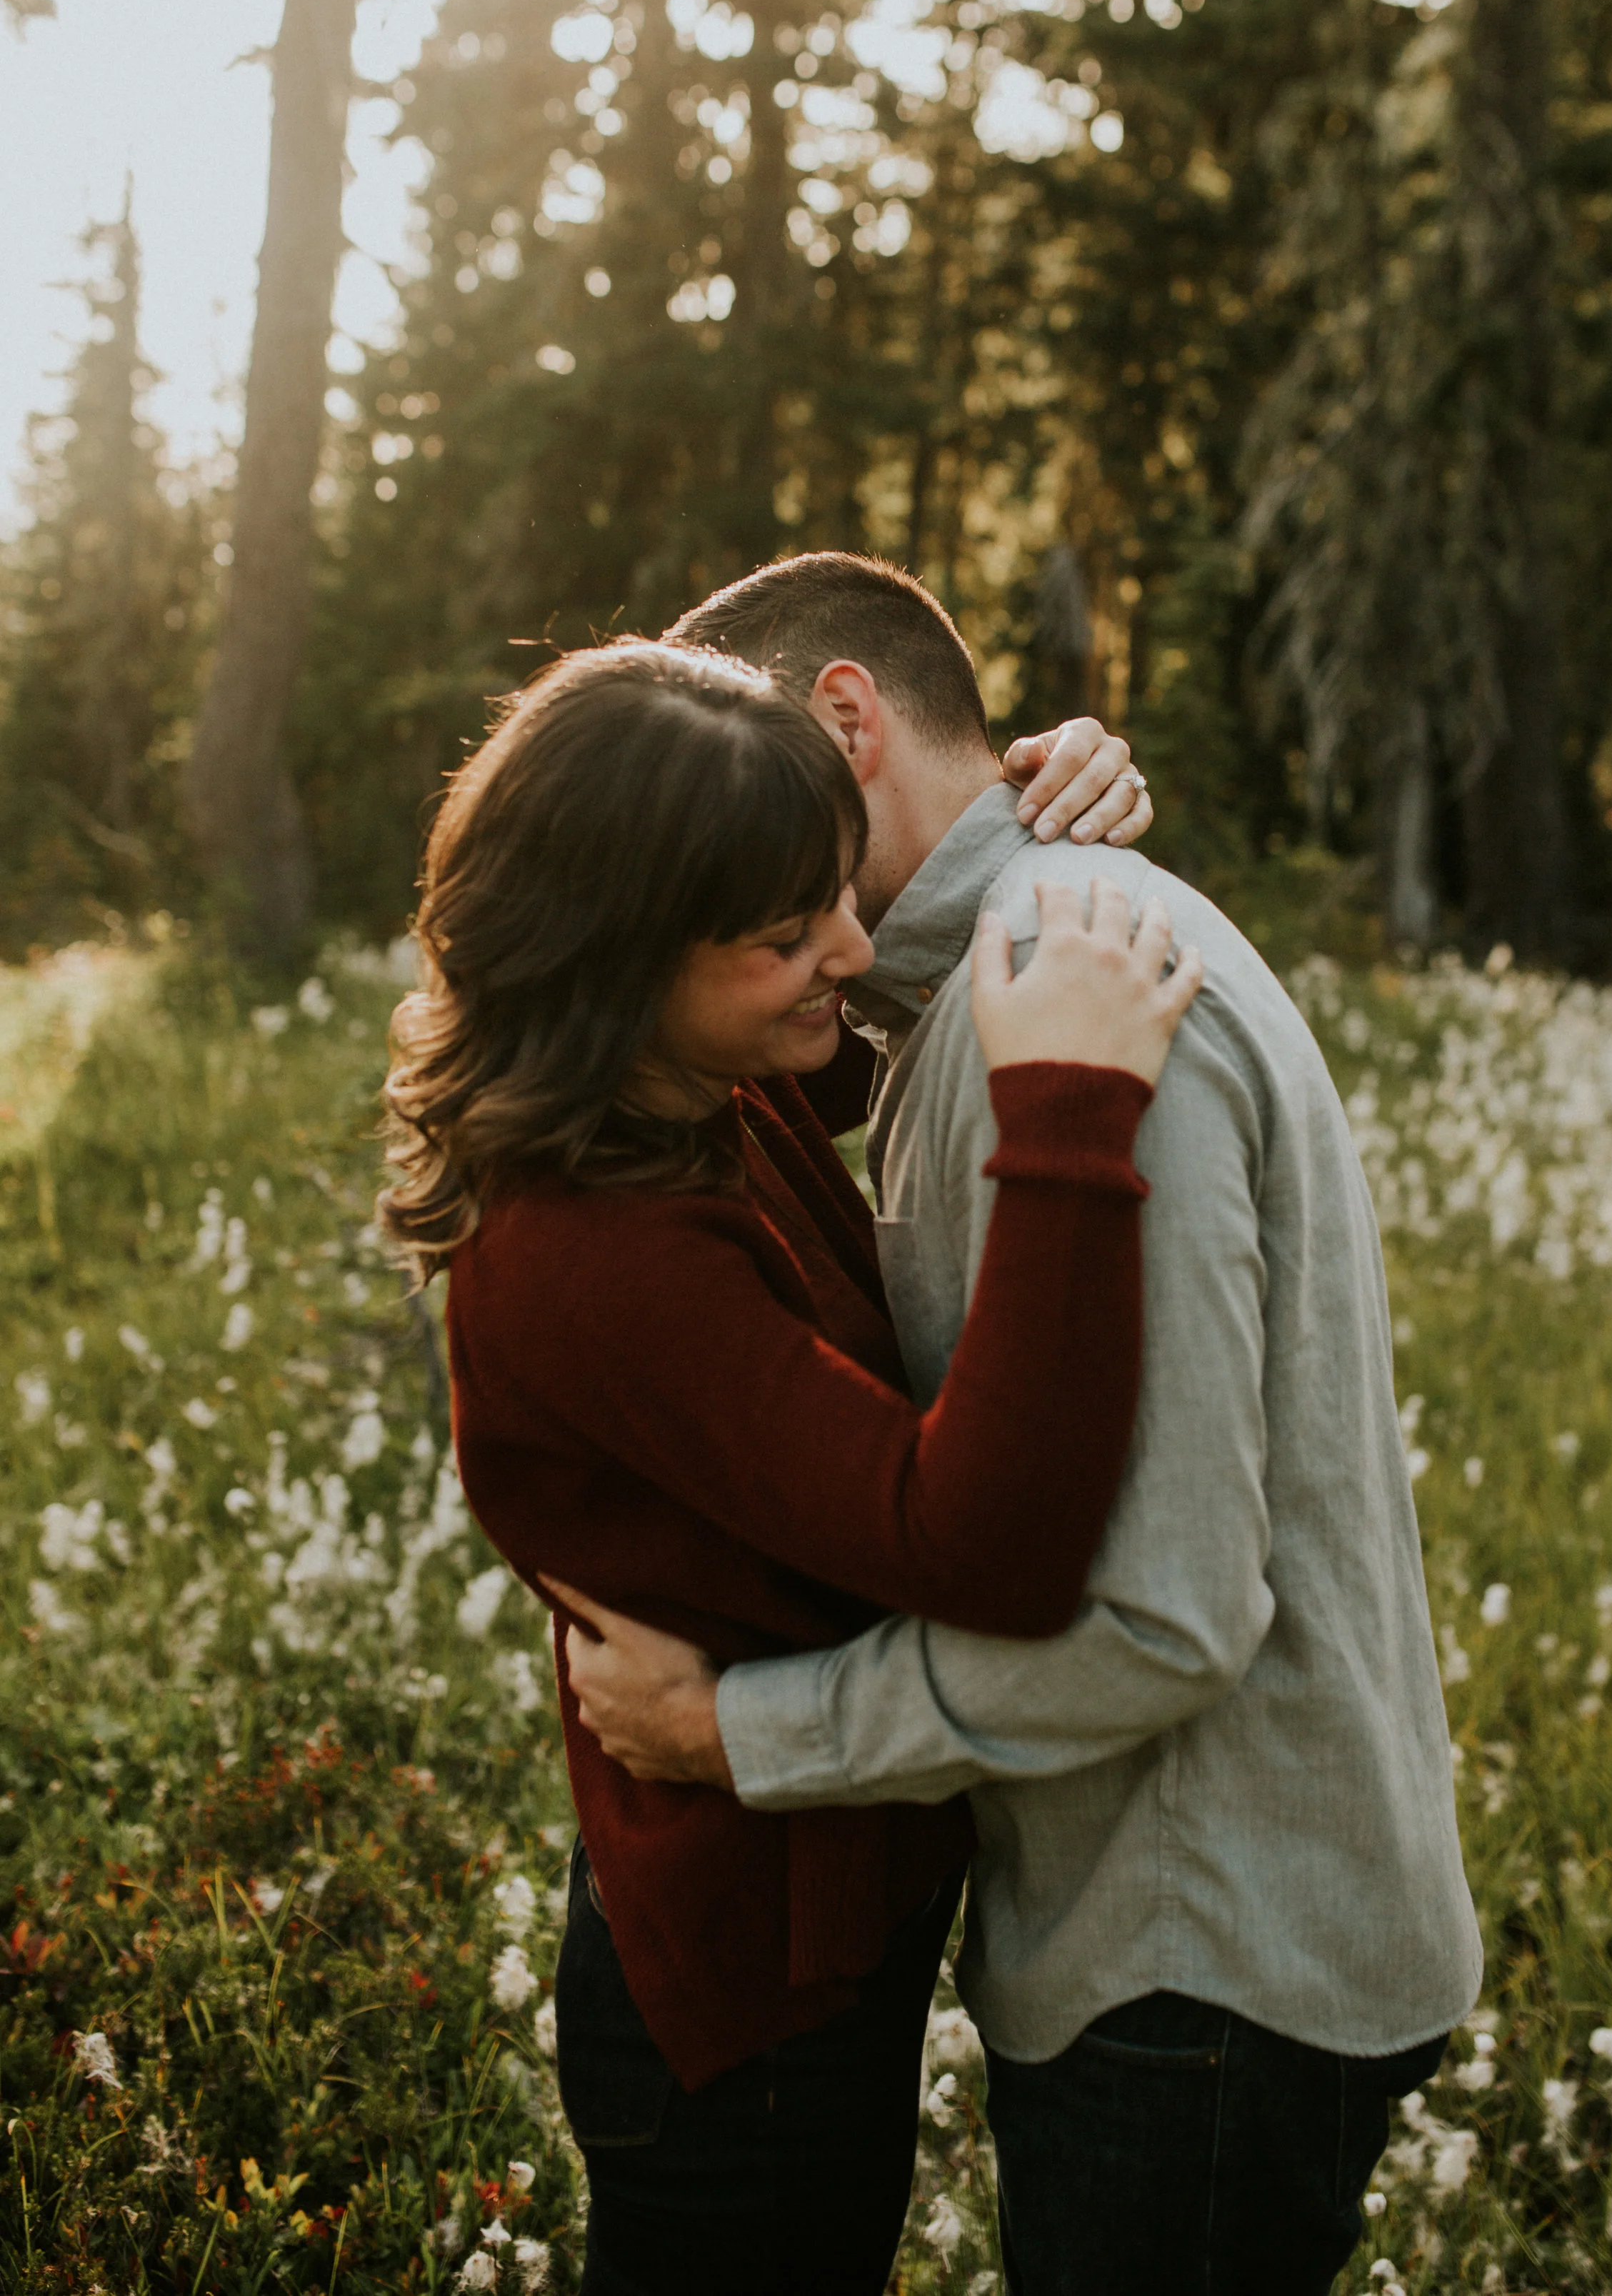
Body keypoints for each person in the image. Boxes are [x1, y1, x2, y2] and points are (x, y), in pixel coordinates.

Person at [556, 552, 1484, 2296]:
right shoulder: (1003, 970)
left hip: (1201, 1955)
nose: (714, 851)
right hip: (1189, 1940)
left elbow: (1155, 1613)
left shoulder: (1044, 1003)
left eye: (736, 793)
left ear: (842, 725)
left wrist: (742, 1732)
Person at [379, 635, 1201, 2296]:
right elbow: (981, 1547)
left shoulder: (677, 1080)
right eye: (783, 932)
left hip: (814, 1914)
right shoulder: (594, 1247)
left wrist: (1024, 791)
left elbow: (865, 981)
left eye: (842, 887)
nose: (853, 946)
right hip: (742, 2015)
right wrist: (1064, 1116)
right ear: (612, 959)